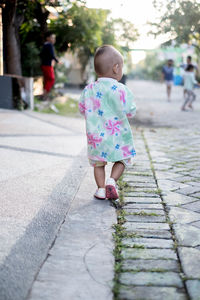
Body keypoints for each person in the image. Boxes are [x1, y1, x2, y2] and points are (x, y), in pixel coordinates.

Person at [79, 45, 136, 200]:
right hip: (118, 136)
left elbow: (82, 109)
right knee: (122, 159)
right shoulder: (122, 89)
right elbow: (131, 110)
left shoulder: (89, 89)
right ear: (116, 68)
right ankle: (112, 180)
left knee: (98, 164)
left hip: (96, 137)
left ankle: (101, 189)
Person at [41, 32, 59, 100]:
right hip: (47, 65)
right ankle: (45, 94)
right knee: (51, 79)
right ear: (47, 38)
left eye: (54, 38)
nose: (53, 39)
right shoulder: (49, 45)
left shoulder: (45, 45)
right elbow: (52, 55)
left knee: (46, 80)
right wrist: (57, 61)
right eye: (52, 38)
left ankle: (44, 95)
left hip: (44, 64)